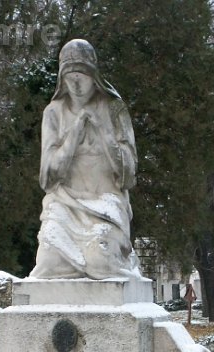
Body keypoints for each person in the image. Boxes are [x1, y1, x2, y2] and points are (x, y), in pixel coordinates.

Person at [29, 39, 141, 280]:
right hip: (65, 205)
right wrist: (73, 136)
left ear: (94, 76)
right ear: (62, 79)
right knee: (47, 263)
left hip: (106, 206)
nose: (77, 84)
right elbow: (47, 178)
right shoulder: (53, 113)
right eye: (70, 77)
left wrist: (105, 134)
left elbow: (128, 175)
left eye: (82, 75)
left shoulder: (114, 108)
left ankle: (122, 260)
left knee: (100, 260)